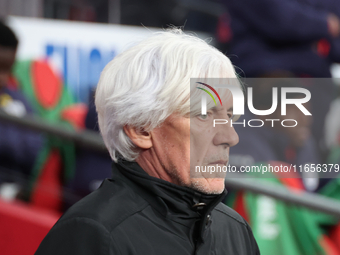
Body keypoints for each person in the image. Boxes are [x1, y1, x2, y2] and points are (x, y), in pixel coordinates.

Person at [35, 29, 260, 255]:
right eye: (204, 115)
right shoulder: (91, 234)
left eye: (229, 116)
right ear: (140, 129)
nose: (231, 137)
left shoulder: (235, 230)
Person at [0, 20, 42, 197]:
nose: (3, 78)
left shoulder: (18, 99)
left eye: (8, 69)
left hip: (14, 193)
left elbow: (35, 151)